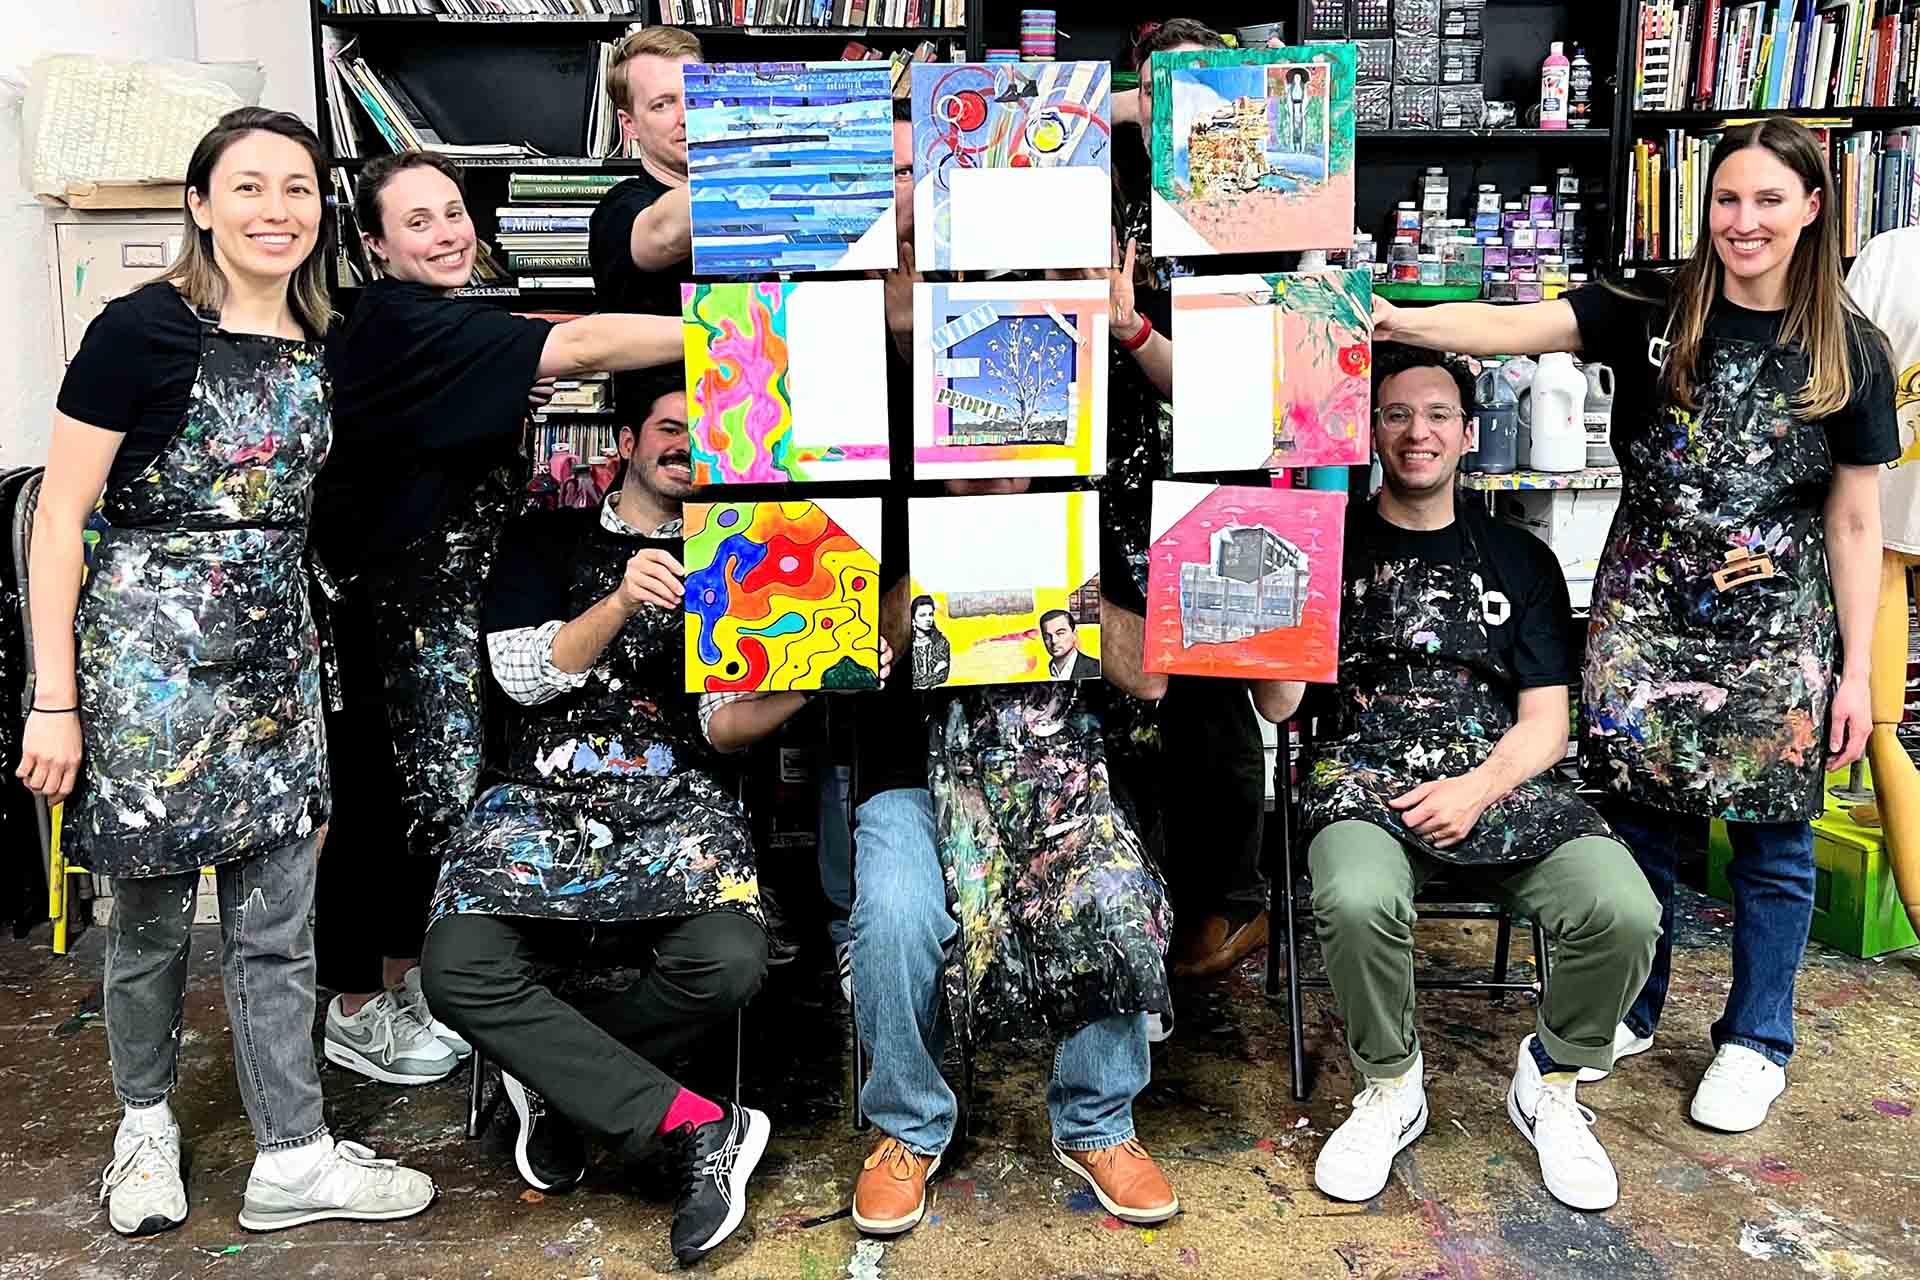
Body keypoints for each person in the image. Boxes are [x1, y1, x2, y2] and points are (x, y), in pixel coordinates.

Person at [1374, 116, 1897, 1134]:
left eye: (1768, 201)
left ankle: (1756, 1039)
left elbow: (1856, 514)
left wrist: (1857, 672)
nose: (1743, 222)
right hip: (1645, 618)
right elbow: (1508, 324)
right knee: (1640, 824)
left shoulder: (1851, 348)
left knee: (1774, 849)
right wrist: (1397, 322)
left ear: (1813, 209)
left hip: (1777, 635)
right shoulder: (1648, 305)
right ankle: (1633, 1009)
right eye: (1727, 199)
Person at [15, 108, 435, 1238]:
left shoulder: (326, 335)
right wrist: (54, 696)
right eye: (248, 188)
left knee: (277, 922)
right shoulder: (139, 332)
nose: (275, 211)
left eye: (296, 189)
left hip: (274, 655)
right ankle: (143, 1128)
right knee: (148, 921)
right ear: (201, 204)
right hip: (146, 668)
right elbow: (61, 518)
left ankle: (292, 1152)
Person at [1252, 347, 1660, 1212]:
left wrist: (1475, 788)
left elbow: (1548, 721)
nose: (1418, 432)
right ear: (1370, 433)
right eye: (1396, 414)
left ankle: (1550, 1079)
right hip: (1364, 779)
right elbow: (1282, 706)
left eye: (1438, 414)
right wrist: (1273, 601)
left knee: (1626, 911)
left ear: (1470, 434)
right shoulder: (1325, 546)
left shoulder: (1522, 560)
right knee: (1357, 897)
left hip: (1500, 783)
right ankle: (1392, 1086)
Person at [311, 150, 683, 1089]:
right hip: (397, 606)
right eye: (418, 223)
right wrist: (751, 333)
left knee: (438, 795)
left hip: (447, 594)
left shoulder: (441, 319)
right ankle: (359, 1006)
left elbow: (537, 339)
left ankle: (414, 988)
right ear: (374, 246)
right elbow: (587, 347)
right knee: (396, 798)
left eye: (453, 213)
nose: (445, 234)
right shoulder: (399, 321)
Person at [421, 375, 793, 1266]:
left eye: (702, 433)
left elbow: (723, 729)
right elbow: (522, 674)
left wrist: (809, 679)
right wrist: (622, 599)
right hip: (541, 799)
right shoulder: (545, 538)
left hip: (676, 801)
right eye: (669, 427)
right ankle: (699, 1124)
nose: (684, 445)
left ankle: (558, 1083)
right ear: (626, 439)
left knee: (731, 960)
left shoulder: (739, 556)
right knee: (456, 970)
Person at [847, 471, 1182, 1237]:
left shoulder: (1080, 519)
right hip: (916, 781)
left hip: (1055, 779)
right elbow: (849, 658)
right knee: (896, 912)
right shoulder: (890, 515)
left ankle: (1097, 1120)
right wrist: (942, 555)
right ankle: (906, 1125)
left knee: (1114, 890)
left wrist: (1073, 580)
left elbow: (1151, 678)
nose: (997, 460)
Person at [1109, 17, 1274, 984]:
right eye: (1157, 89)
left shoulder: (1258, 203)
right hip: (1111, 471)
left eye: (1201, 87)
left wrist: (1131, 331)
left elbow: (1240, 390)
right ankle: (1144, 898)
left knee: (1215, 691)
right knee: (1124, 682)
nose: (1177, 109)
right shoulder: (1101, 181)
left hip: (1222, 470)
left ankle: (1227, 902)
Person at [590, 25, 700, 422]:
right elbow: (663, 234)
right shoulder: (620, 208)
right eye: (663, 104)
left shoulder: (761, 194)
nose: (686, 116)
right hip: (670, 437)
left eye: (696, 96)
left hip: (773, 416)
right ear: (629, 125)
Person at [1041, 607, 1102, 680]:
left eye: (1060, 633)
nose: (1054, 640)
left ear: (1074, 634)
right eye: (1047, 636)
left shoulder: (1097, 668)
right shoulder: (1040, 672)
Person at [909, 594, 952, 690]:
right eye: (922, 615)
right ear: (913, 620)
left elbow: (942, 677)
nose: (928, 619)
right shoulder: (906, 645)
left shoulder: (941, 643)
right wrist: (935, 671)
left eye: (930, 614)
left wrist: (920, 683)